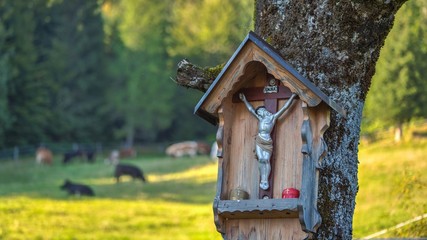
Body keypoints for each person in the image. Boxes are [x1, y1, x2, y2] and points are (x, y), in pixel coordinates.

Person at [239, 92, 297, 190]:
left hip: (268, 141)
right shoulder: (260, 119)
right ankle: (263, 179)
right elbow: (251, 110)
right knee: (261, 159)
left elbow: (285, 108)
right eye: (259, 113)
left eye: (260, 112)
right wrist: (244, 100)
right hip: (259, 140)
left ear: (263, 110)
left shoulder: (272, 118)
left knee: (266, 160)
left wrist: (292, 96)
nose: (259, 114)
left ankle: (266, 179)